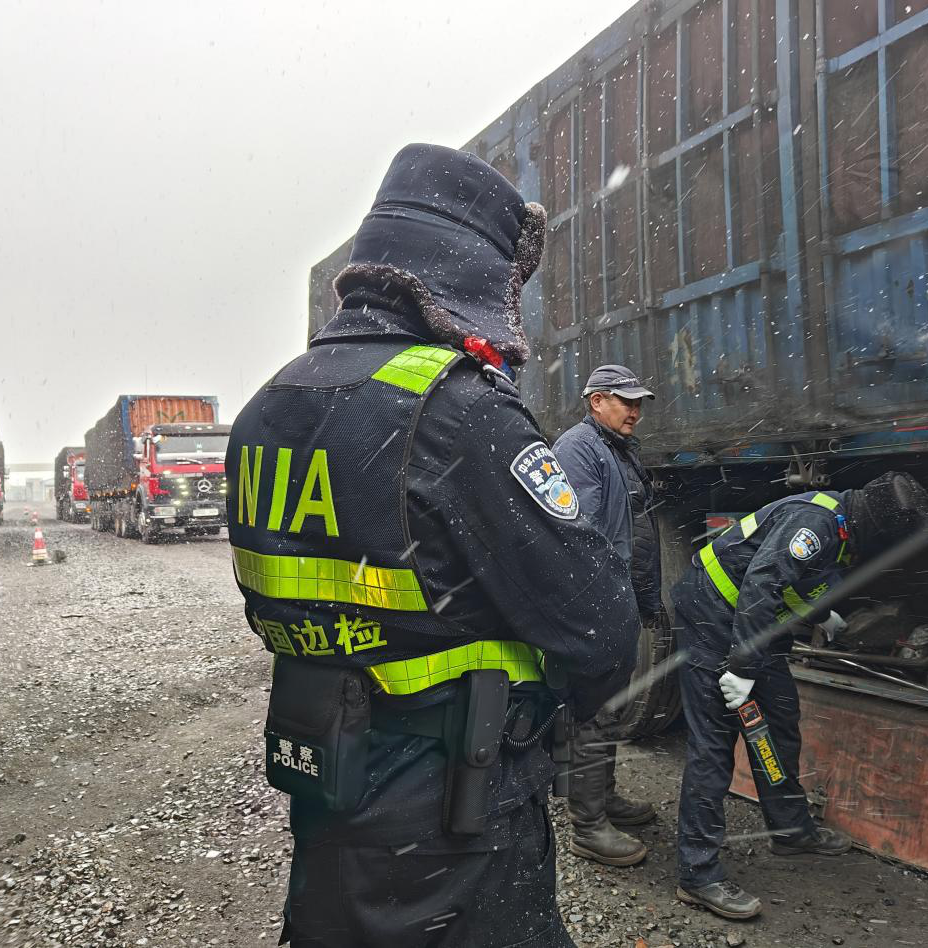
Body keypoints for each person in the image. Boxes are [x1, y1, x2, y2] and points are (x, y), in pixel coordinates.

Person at [225, 143, 639, 948]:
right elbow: (601, 626)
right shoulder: (460, 412)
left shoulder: (264, 409)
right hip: (456, 817)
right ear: (470, 276)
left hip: (327, 791)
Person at [671, 473, 928, 920]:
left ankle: (791, 831)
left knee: (780, 718)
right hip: (710, 612)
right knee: (713, 745)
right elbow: (761, 583)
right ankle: (698, 874)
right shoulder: (816, 525)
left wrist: (821, 613)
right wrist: (741, 670)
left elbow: (798, 578)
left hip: (753, 620)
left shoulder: (847, 525)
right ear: (877, 531)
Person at [553, 365, 661, 865]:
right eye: (625, 401)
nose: (635, 411)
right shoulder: (579, 449)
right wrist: (597, 606)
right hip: (597, 603)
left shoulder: (617, 449)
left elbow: (633, 529)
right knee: (594, 711)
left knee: (612, 705)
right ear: (596, 401)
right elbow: (581, 535)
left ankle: (605, 798)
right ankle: (588, 825)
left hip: (618, 600)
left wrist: (643, 600)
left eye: (638, 402)